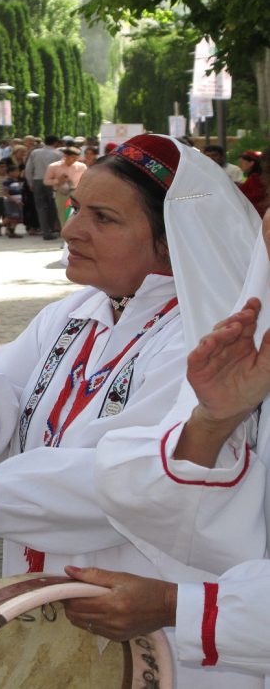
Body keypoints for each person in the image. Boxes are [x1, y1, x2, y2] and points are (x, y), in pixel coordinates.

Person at [0, 134, 261, 687]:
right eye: (75, 208)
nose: (72, 229)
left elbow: (139, 482)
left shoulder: (211, 338)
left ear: (173, 243)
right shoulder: (71, 315)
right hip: (58, 597)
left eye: (103, 218)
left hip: (156, 605)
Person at [63, 208, 270, 682]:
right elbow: (210, 523)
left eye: (105, 217)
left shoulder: (191, 329)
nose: (71, 230)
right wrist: (212, 422)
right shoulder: (239, 346)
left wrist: (177, 605)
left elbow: (105, 477)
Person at [24, 133, 62, 239]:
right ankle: (53, 229)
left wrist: (30, 183)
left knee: (41, 207)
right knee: (53, 206)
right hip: (52, 181)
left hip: (38, 180)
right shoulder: (58, 154)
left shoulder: (35, 152)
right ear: (56, 143)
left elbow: (28, 169)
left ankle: (45, 231)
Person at [44, 145, 87, 227]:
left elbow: (86, 180)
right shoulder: (53, 166)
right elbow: (46, 181)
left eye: (76, 158)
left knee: (78, 214)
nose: (75, 160)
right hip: (61, 193)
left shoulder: (82, 167)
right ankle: (65, 232)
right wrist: (58, 181)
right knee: (63, 214)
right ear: (66, 156)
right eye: (72, 157)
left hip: (77, 193)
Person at [239, 148, 269, 218]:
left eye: (242, 163)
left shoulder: (255, 178)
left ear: (251, 163)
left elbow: (256, 196)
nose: (240, 166)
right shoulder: (255, 177)